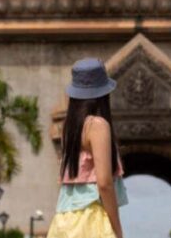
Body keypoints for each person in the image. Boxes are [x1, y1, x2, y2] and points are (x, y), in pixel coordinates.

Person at [47, 58, 128, 238]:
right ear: (103, 93)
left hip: (63, 222)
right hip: (91, 220)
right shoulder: (98, 125)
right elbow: (105, 183)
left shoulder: (69, 128)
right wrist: (118, 230)